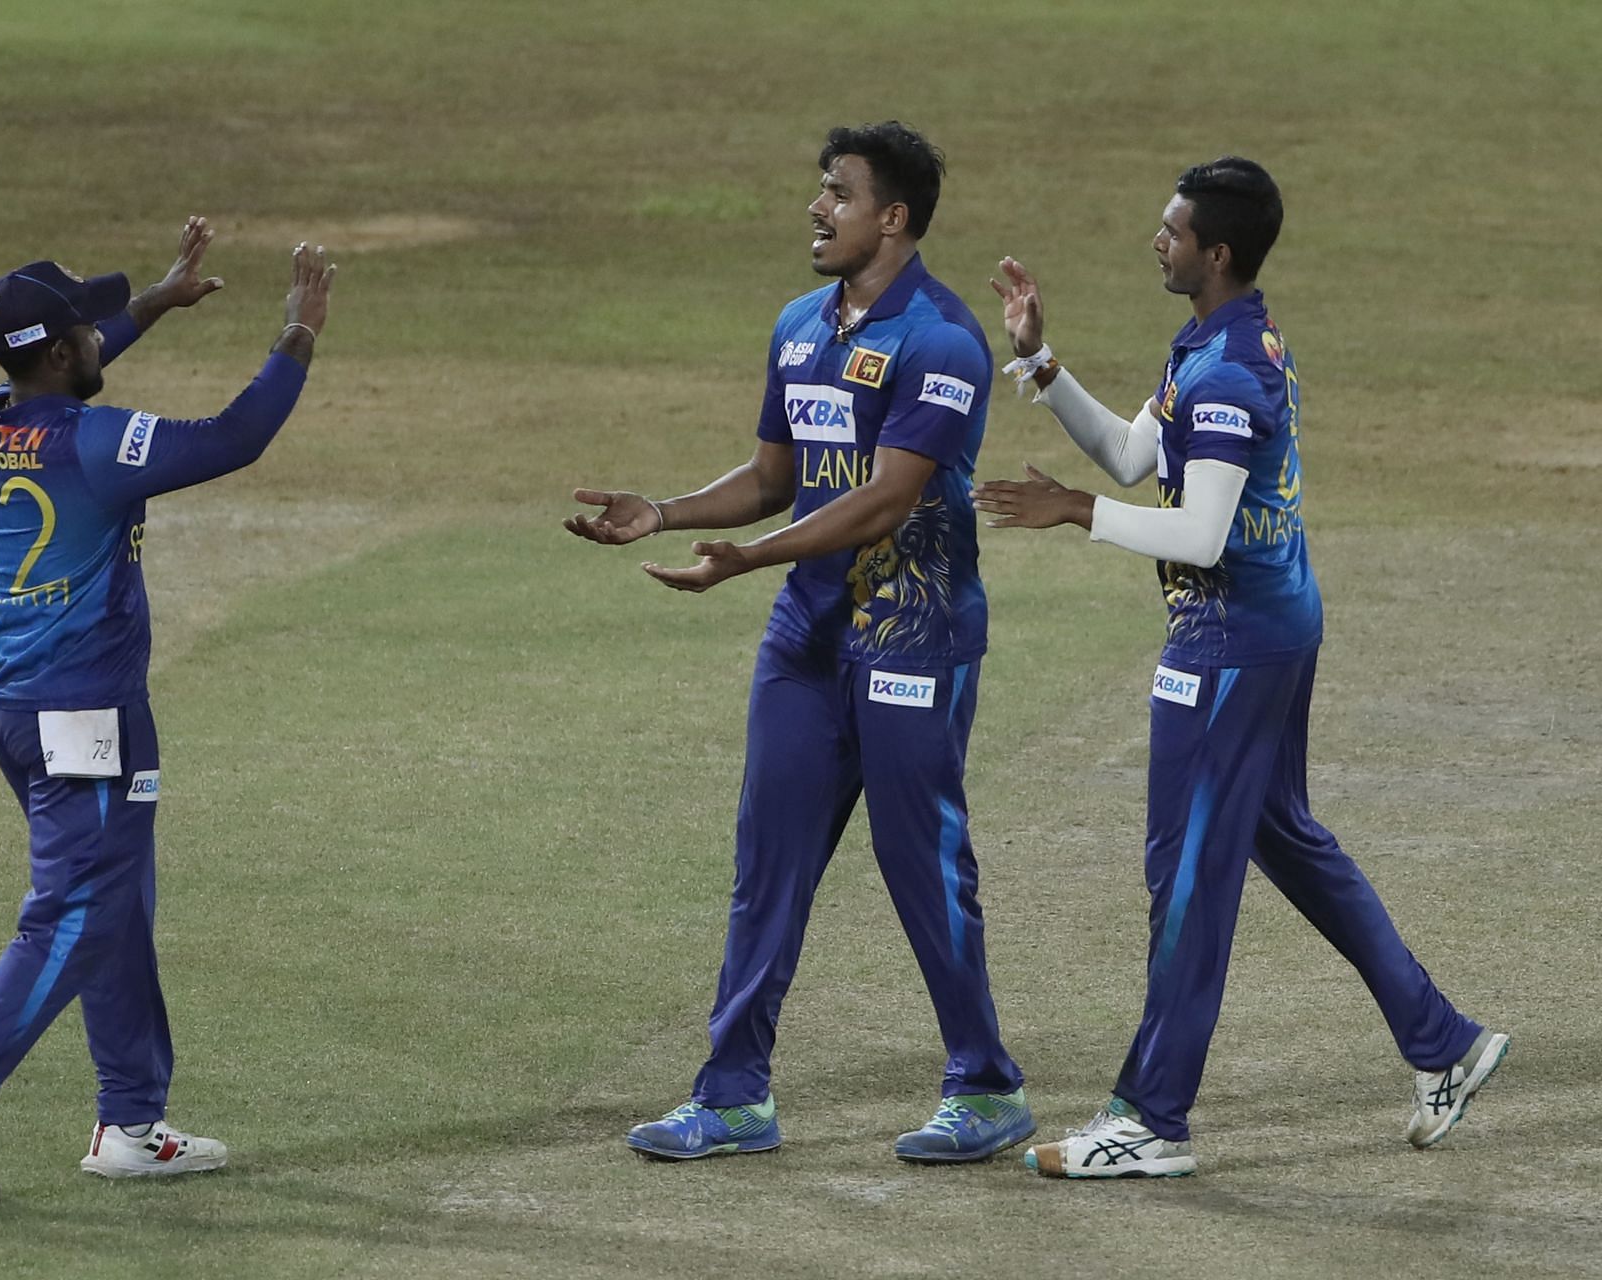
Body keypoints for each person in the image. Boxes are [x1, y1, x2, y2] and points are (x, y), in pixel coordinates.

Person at [972, 157, 1507, 1179]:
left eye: (1171, 230)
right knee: (1288, 841)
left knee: (1187, 878)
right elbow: (1137, 454)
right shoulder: (1224, 339)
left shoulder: (1225, 370)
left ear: (1216, 252)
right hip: (1267, 623)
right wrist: (1041, 368)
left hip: (1228, 641)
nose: (1156, 240)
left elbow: (1204, 531)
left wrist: (1075, 512)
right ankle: (1446, 1040)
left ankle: (1152, 1117)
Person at [567, 122, 1031, 1164]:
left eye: (839, 193)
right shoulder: (797, 326)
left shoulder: (943, 342)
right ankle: (734, 1094)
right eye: (820, 192)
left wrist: (750, 557)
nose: (817, 210)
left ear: (893, 217)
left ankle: (987, 1083)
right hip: (807, 635)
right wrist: (672, 510)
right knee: (766, 860)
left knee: (923, 865)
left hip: (914, 632)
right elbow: (776, 475)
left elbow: (885, 501)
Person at [0, 221, 337, 1205]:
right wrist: (296, 335)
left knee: (114, 900)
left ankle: (131, 1119)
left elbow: (68, 369)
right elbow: (233, 437)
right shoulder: (94, 445)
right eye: (86, 326)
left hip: (14, 700)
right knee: (78, 909)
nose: (97, 336)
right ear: (55, 350)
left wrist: (155, 305)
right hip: (84, 710)